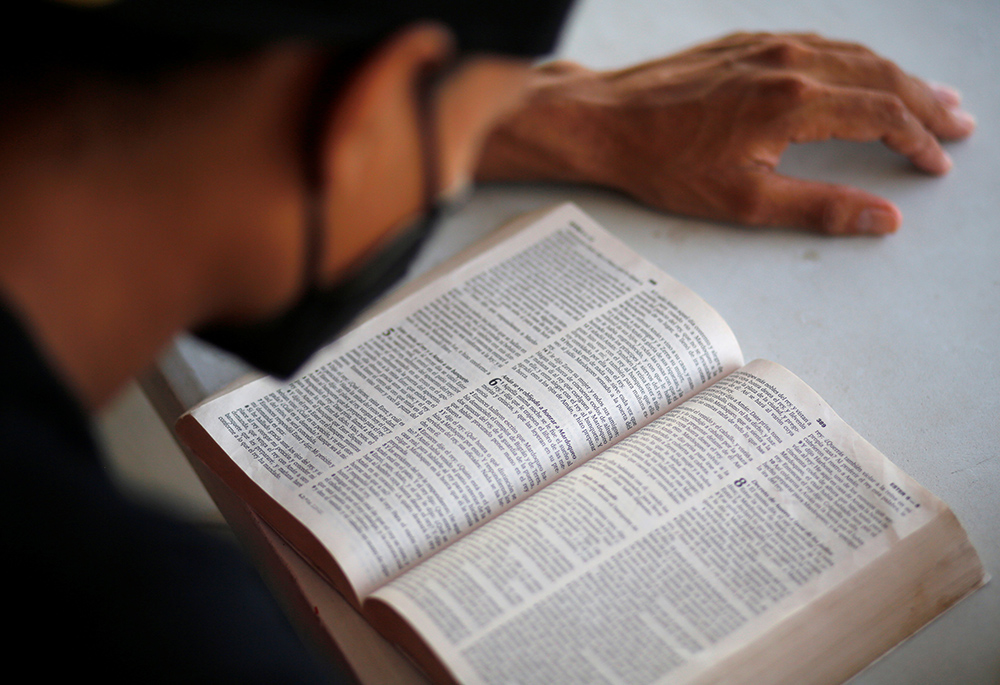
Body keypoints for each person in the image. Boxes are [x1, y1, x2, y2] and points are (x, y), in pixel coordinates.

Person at [0, 0, 974, 681]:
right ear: (366, 109)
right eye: (460, 141)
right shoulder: (155, 633)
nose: (457, 166)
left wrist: (531, 111)